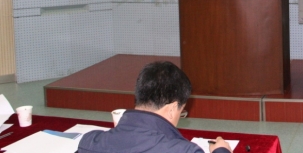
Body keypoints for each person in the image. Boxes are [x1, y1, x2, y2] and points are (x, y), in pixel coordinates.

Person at [78, 61, 232, 153]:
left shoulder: (90, 142)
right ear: (172, 109)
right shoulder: (185, 150)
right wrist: (221, 150)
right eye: (181, 112)